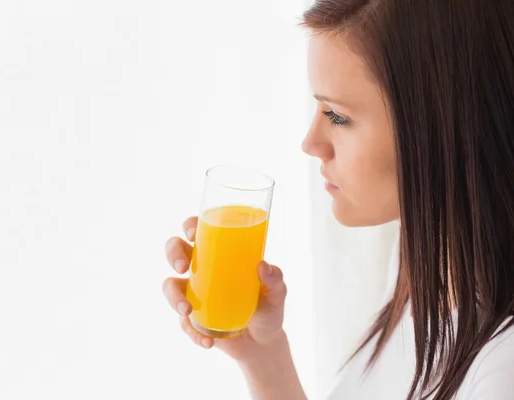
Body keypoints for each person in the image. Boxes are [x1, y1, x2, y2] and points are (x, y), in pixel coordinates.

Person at [162, 0, 514, 398]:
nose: (310, 143)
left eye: (337, 116)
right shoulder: (421, 265)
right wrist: (263, 358)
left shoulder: (501, 370)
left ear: (443, 127)